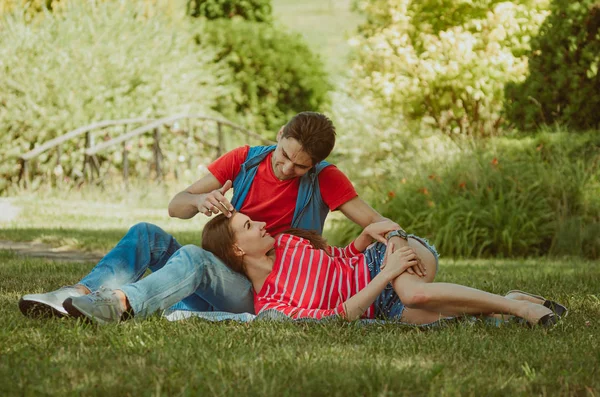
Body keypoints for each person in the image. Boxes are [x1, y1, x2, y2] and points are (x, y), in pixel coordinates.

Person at [19, 112, 414, 322]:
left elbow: (380, 223)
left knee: (193, 258)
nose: (286, 168)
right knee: (146, 233)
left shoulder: (325, 179)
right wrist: (200, 198)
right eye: (284, 155)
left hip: (264, 289)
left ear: (315, 165)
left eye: (299, 166)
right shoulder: (244, 159)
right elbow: (176, 206)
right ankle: (78, 296)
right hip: (221, 266)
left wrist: (399, 247)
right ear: (279, 135)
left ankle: (119, 304)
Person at [199, 212, 567, 325]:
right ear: (235, 248)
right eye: (248, 227)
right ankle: (512, 301)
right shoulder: (273, 304)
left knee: (414, 291)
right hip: (384, 299)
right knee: (468, 319)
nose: (260, 225)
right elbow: (341, 316)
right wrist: (385, 278)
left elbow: (341, 259)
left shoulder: (289, 242)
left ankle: (524, 309)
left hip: (385, 255)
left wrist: (365, 239)